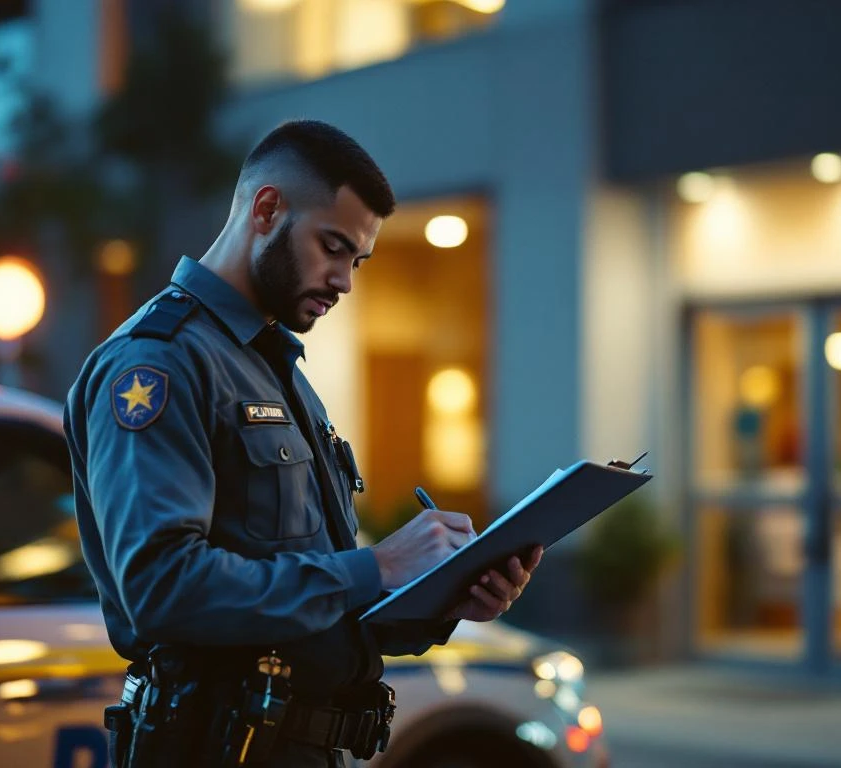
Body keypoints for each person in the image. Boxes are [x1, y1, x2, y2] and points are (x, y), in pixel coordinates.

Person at [64, 120, 542, 767]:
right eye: (333, 246)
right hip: (216, 747)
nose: (345, 280)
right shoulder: (159, 364)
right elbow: (161, 588)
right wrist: (377, 566)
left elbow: (316, 604)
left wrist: (445, 597)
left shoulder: (276, 369)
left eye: (357, 259)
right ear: (266, 210)